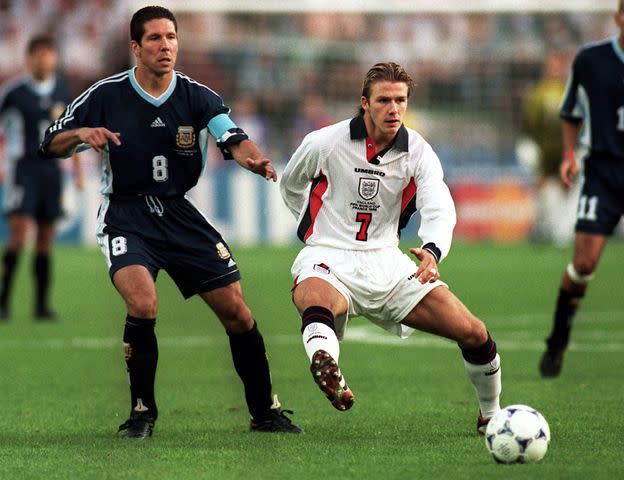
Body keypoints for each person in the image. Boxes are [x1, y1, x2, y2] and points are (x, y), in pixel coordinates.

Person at [39, 6, 301, 437]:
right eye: (156, 38)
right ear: (135, 47)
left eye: (172, 38)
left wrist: (252, 158)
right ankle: (142, 413)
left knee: (237, 312)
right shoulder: (104, 95)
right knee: (142, 304)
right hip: (126, 214)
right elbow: (50, 143)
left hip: (179, 214)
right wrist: (82, 135)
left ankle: (264, 412)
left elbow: (231, 135)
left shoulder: (197, 96)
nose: (166, 46)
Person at [280, 62, 502, 434]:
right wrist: (313, 228)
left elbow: (438, 204)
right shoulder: (325, 142)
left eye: (401, 100)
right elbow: (291, 183)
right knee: (315, 299)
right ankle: (326, 363)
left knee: (475, 333)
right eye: (384, 100)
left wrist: (433, 250)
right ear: (364, 103)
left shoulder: (418, 151)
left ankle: (492, 416)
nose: (394, 108)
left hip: (388, 263)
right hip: (328, 256)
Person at [539, 0, 624, 377]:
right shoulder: (591, 61)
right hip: (604, 173)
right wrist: (569, 154)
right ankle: (558, 340)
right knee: (583, 263)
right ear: (617, 17)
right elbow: (570, 112)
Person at [0, 34, 83, 321]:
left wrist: (79, 171)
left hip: (52, 172)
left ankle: (41, 306)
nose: (44, 59)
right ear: (29, 58)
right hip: (23, 170)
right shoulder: (13, 93)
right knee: (20, 233)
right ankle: (4, 300)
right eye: (39, 54)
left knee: (46, 238)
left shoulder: (63, 91)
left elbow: (75, 133)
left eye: (49, 54)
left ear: (54, 59)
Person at [520, 50, 578, 247]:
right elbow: (529, 124)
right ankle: (547, 228)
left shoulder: (569, 90)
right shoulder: (538, 93)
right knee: (545, 189)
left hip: (566, 150)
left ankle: (561, 230)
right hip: (545, 149)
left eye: (557, 64)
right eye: (551, 64)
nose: (554, 68)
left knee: (567, 190)